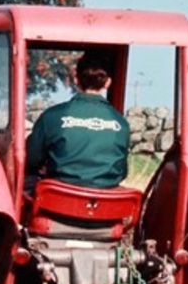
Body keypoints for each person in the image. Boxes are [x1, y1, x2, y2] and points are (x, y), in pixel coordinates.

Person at [26, 49, 130, 189]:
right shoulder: (121, 124)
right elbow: (122, 171)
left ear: (76, 80)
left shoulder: (52, 116)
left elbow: (30, 160)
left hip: (57, 201)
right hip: (106, 205)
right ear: (108, 83)